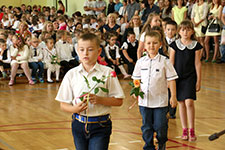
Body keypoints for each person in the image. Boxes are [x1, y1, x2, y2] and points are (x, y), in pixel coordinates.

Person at [55, 32, 124, 150]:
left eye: (90, 50)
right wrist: (74, 109)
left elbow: (118, 101)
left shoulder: (107, 73)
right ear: (77, 51)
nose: (85, 53)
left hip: (101, 125)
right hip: (78, 124)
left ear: (99, 51)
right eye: (81, 50)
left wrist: (100, 100)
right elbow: (63, 104)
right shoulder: (71, 74)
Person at [132, 31, 178, 150]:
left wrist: (173, 96)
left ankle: (162, 142)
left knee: (160, 125)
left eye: (154, 43)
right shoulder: (140, 62)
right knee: (146, 126)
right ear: (145, 46)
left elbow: (171, 80)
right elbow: (136, 79)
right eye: (148, 43)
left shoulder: (165, 61)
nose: (151, 46)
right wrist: (136, 91)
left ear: (160, 44)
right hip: (144, 102)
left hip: (160, 102)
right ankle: (149, 146)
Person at [169, 20, 202, 141]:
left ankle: (192, 129)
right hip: (177, 78)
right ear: (179, 31)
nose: (185, 32)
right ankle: (184, 129)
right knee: (181, 103)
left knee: (189, 102)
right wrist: (170, 80)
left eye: (188, 29)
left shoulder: (196, 45)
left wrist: (199, 80)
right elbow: (171, 63)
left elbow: (197, 63)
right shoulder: (174, 45)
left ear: (192, 31)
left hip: (190, 77)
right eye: (183, 29)